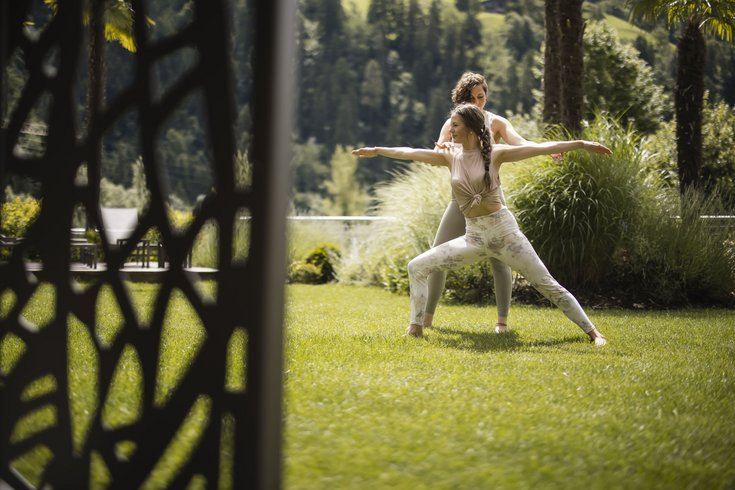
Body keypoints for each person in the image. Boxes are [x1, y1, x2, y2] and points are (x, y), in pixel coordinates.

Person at [352, 103, 609, 346]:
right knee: (416, 267)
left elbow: (539, 148)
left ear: (472, 128)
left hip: (505, 234)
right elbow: (410, 153)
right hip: (474, 237)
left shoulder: (496, 154)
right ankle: (416, 327)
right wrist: (377, 150)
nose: (449, 131)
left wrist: (582, 144)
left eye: (455, 126)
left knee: (547, 284)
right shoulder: (450, 156)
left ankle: (594, 334)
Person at [427, 72, 531, 334]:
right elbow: (440, 148)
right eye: (469, 98)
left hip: (491, 200)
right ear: (460, 100)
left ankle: (502, 324)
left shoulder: (495, 122)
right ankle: (426, 319)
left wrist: (549, 148)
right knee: (436, 255)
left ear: (486, 96)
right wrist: (441, 148)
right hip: (461, 202)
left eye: (480, 97)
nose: (476, 103)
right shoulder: (454, 123)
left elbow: (520, 144)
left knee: (500, 259)